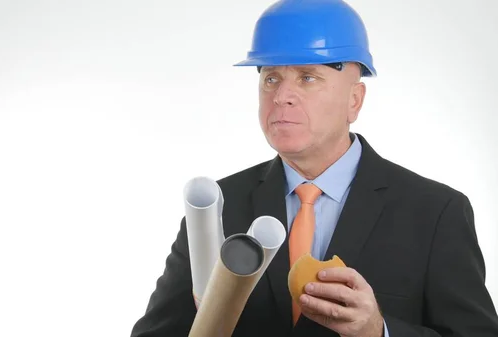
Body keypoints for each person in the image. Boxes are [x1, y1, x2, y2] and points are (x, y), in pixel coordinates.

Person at [129, 0, 498, 336]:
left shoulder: (434, 212)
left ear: (354, 100)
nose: (281, 95)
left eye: (307, 77)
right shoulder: (218, 208)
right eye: (270, 78)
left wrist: (379, 331)